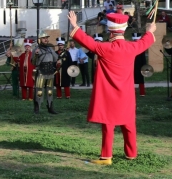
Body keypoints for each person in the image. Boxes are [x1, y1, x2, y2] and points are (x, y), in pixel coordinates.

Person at [67, 10, 156, 165]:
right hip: (127, 94)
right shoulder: (131, 47)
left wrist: (74, 25)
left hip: (109, 95)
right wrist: (150, 31)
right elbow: (144, 42)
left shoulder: (105, 48)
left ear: (112, 32)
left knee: (108, 123)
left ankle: (106, 156)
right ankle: (131, 154)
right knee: (129, 123)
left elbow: (87, 41)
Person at [32, 32, 59, 115]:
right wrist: (36, 55)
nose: (46, 39)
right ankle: (37, 108)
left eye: (47, 38)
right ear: (40, 40)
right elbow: (33, 62)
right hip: (41, 72)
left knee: (50, 91)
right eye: (44, 38)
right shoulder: (36, 49)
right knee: (39, 91)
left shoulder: (50, 49)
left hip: (50, 73)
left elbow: (56, 59)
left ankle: (50, 107)